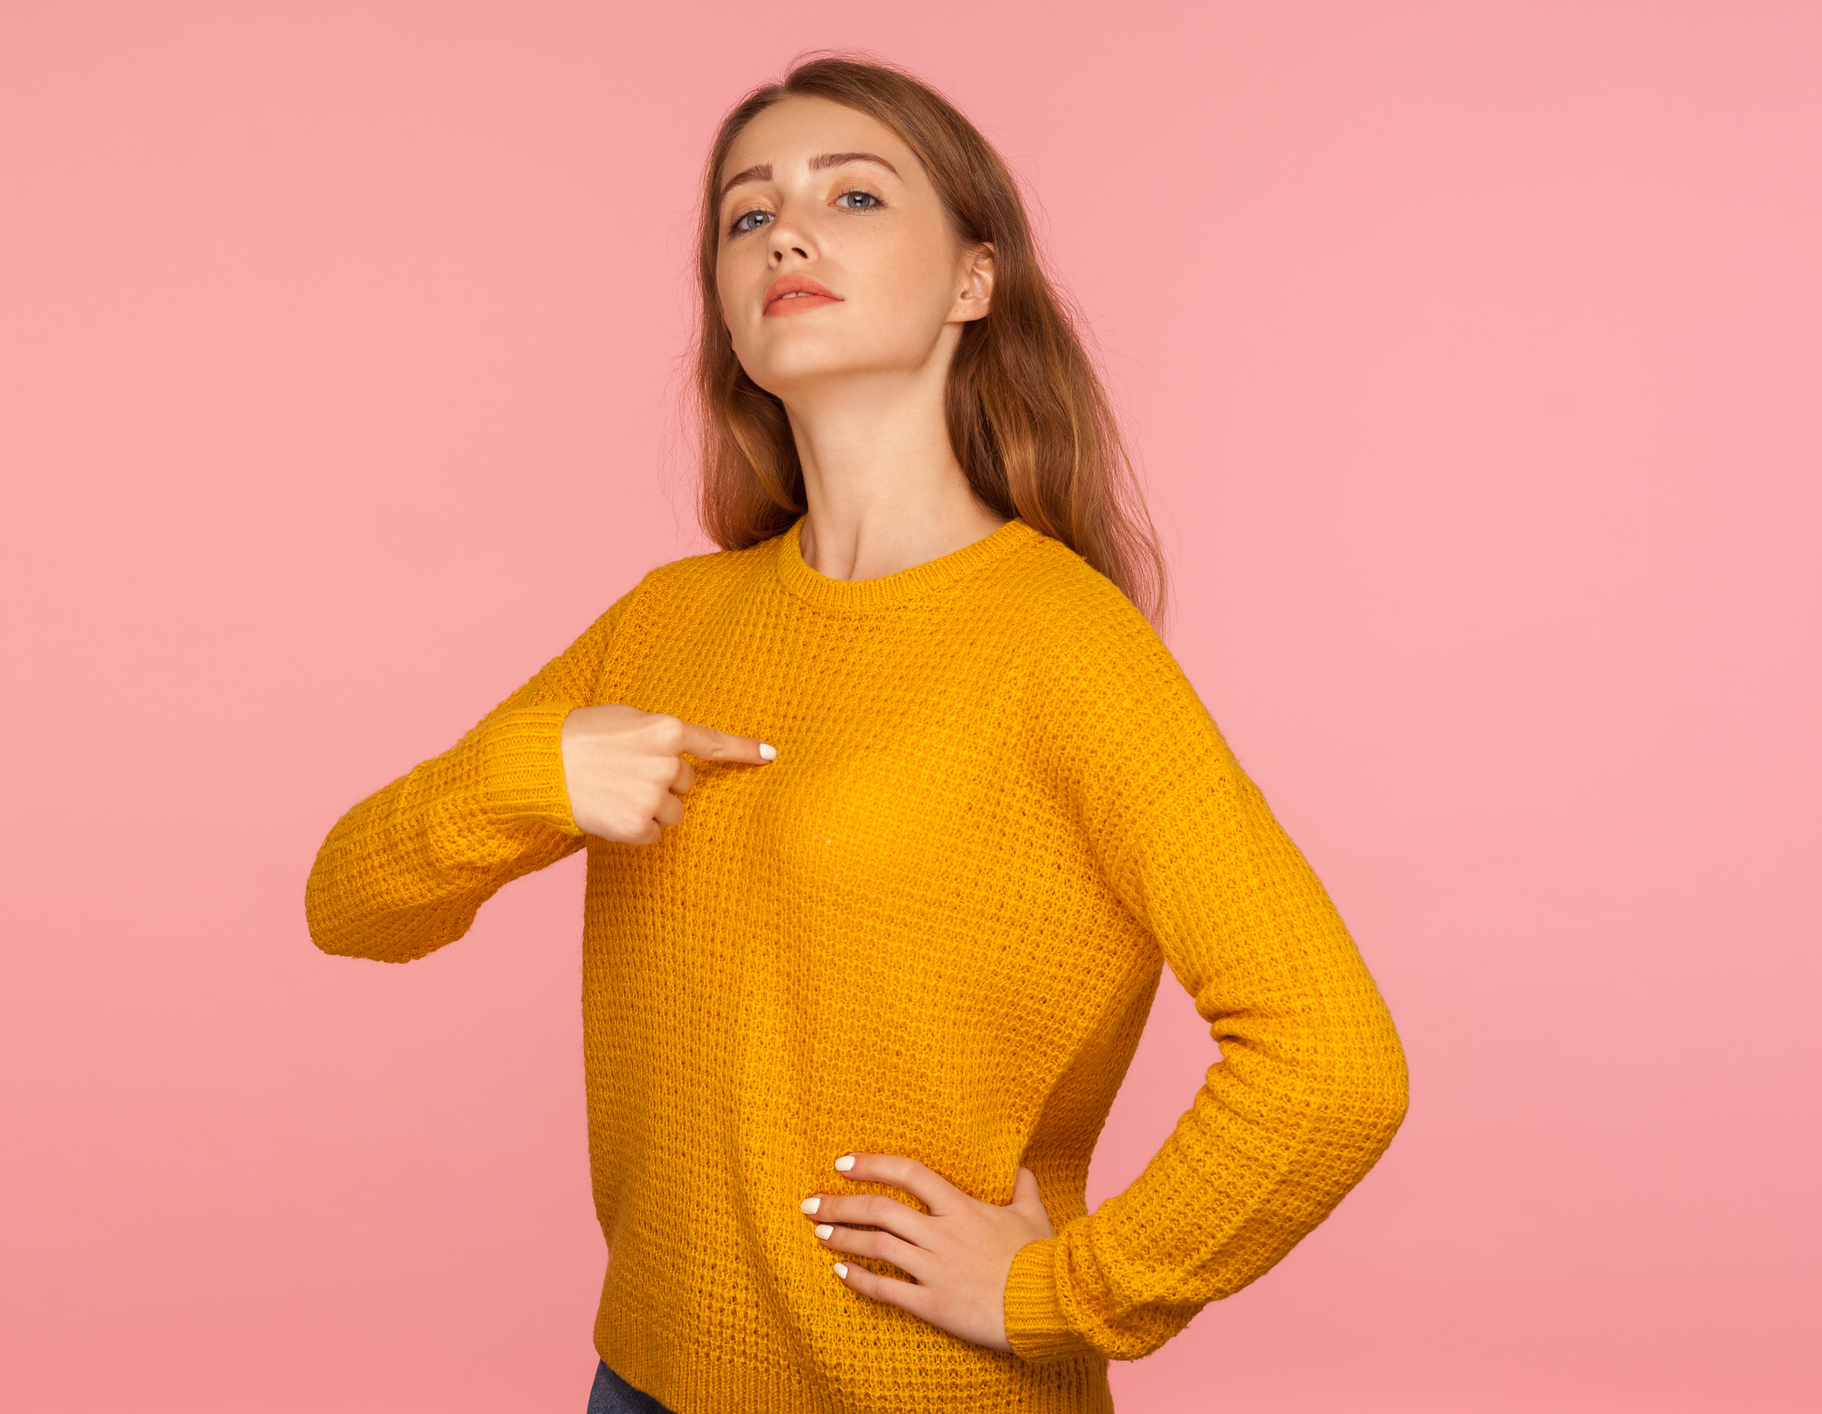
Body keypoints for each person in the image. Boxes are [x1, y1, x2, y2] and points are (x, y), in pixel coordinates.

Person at [305, 53, 1409, 1414]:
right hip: (638, 1379)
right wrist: (533, 775)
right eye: (746, 213)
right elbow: (347, 902)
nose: (789, 231)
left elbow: (1332, 1061)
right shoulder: (665, 621)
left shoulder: (1059, 644)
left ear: (972, 282)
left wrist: (1064, 1293)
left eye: (857, 194)